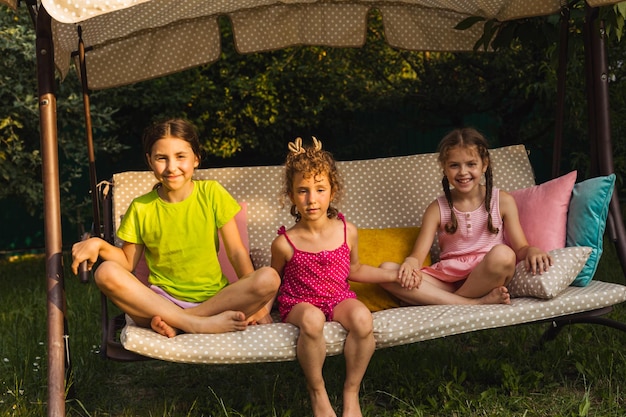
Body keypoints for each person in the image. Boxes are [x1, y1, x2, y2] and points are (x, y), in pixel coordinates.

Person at [71, 118, 280, 337]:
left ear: (196, 159)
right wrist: (97, 243)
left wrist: (256, 301)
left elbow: (237, 253)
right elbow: (126, 262)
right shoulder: (141, 207)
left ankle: (186, 322)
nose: (172, 167)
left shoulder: (212, 193)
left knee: (269, 278)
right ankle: (196, 324)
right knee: (105, 273)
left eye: (181, 157)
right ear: (150, 161)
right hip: (160, 307)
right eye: (162, 158)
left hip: (216, 301)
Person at [271, 137, 413, 417]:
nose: (312, 199)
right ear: (290, 195)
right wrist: (262, 312)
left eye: (320, 189)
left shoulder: (347, 230)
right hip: (299, 302)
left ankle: (351, 392)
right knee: (312, 321)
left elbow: (355, 269)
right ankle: (317, 391)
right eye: (303, 191)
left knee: (362, 319)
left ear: (332, 191)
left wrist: (392, 275)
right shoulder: (285, 243)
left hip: (338, 297)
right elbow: (272, 282)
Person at [380, 127, 553, 306]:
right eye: (454, 165)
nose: (463, 172)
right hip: (447, 280)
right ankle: (470, 303)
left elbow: (520, 248)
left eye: (471, 164)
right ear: (444, 168)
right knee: (386, 271)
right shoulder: (436, 208)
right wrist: (410, 263)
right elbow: (417, 255)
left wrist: (532, 250)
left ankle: (443, 300)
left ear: (484, 164)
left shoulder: (502, 201)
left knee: (504, 255)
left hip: (487, 274)